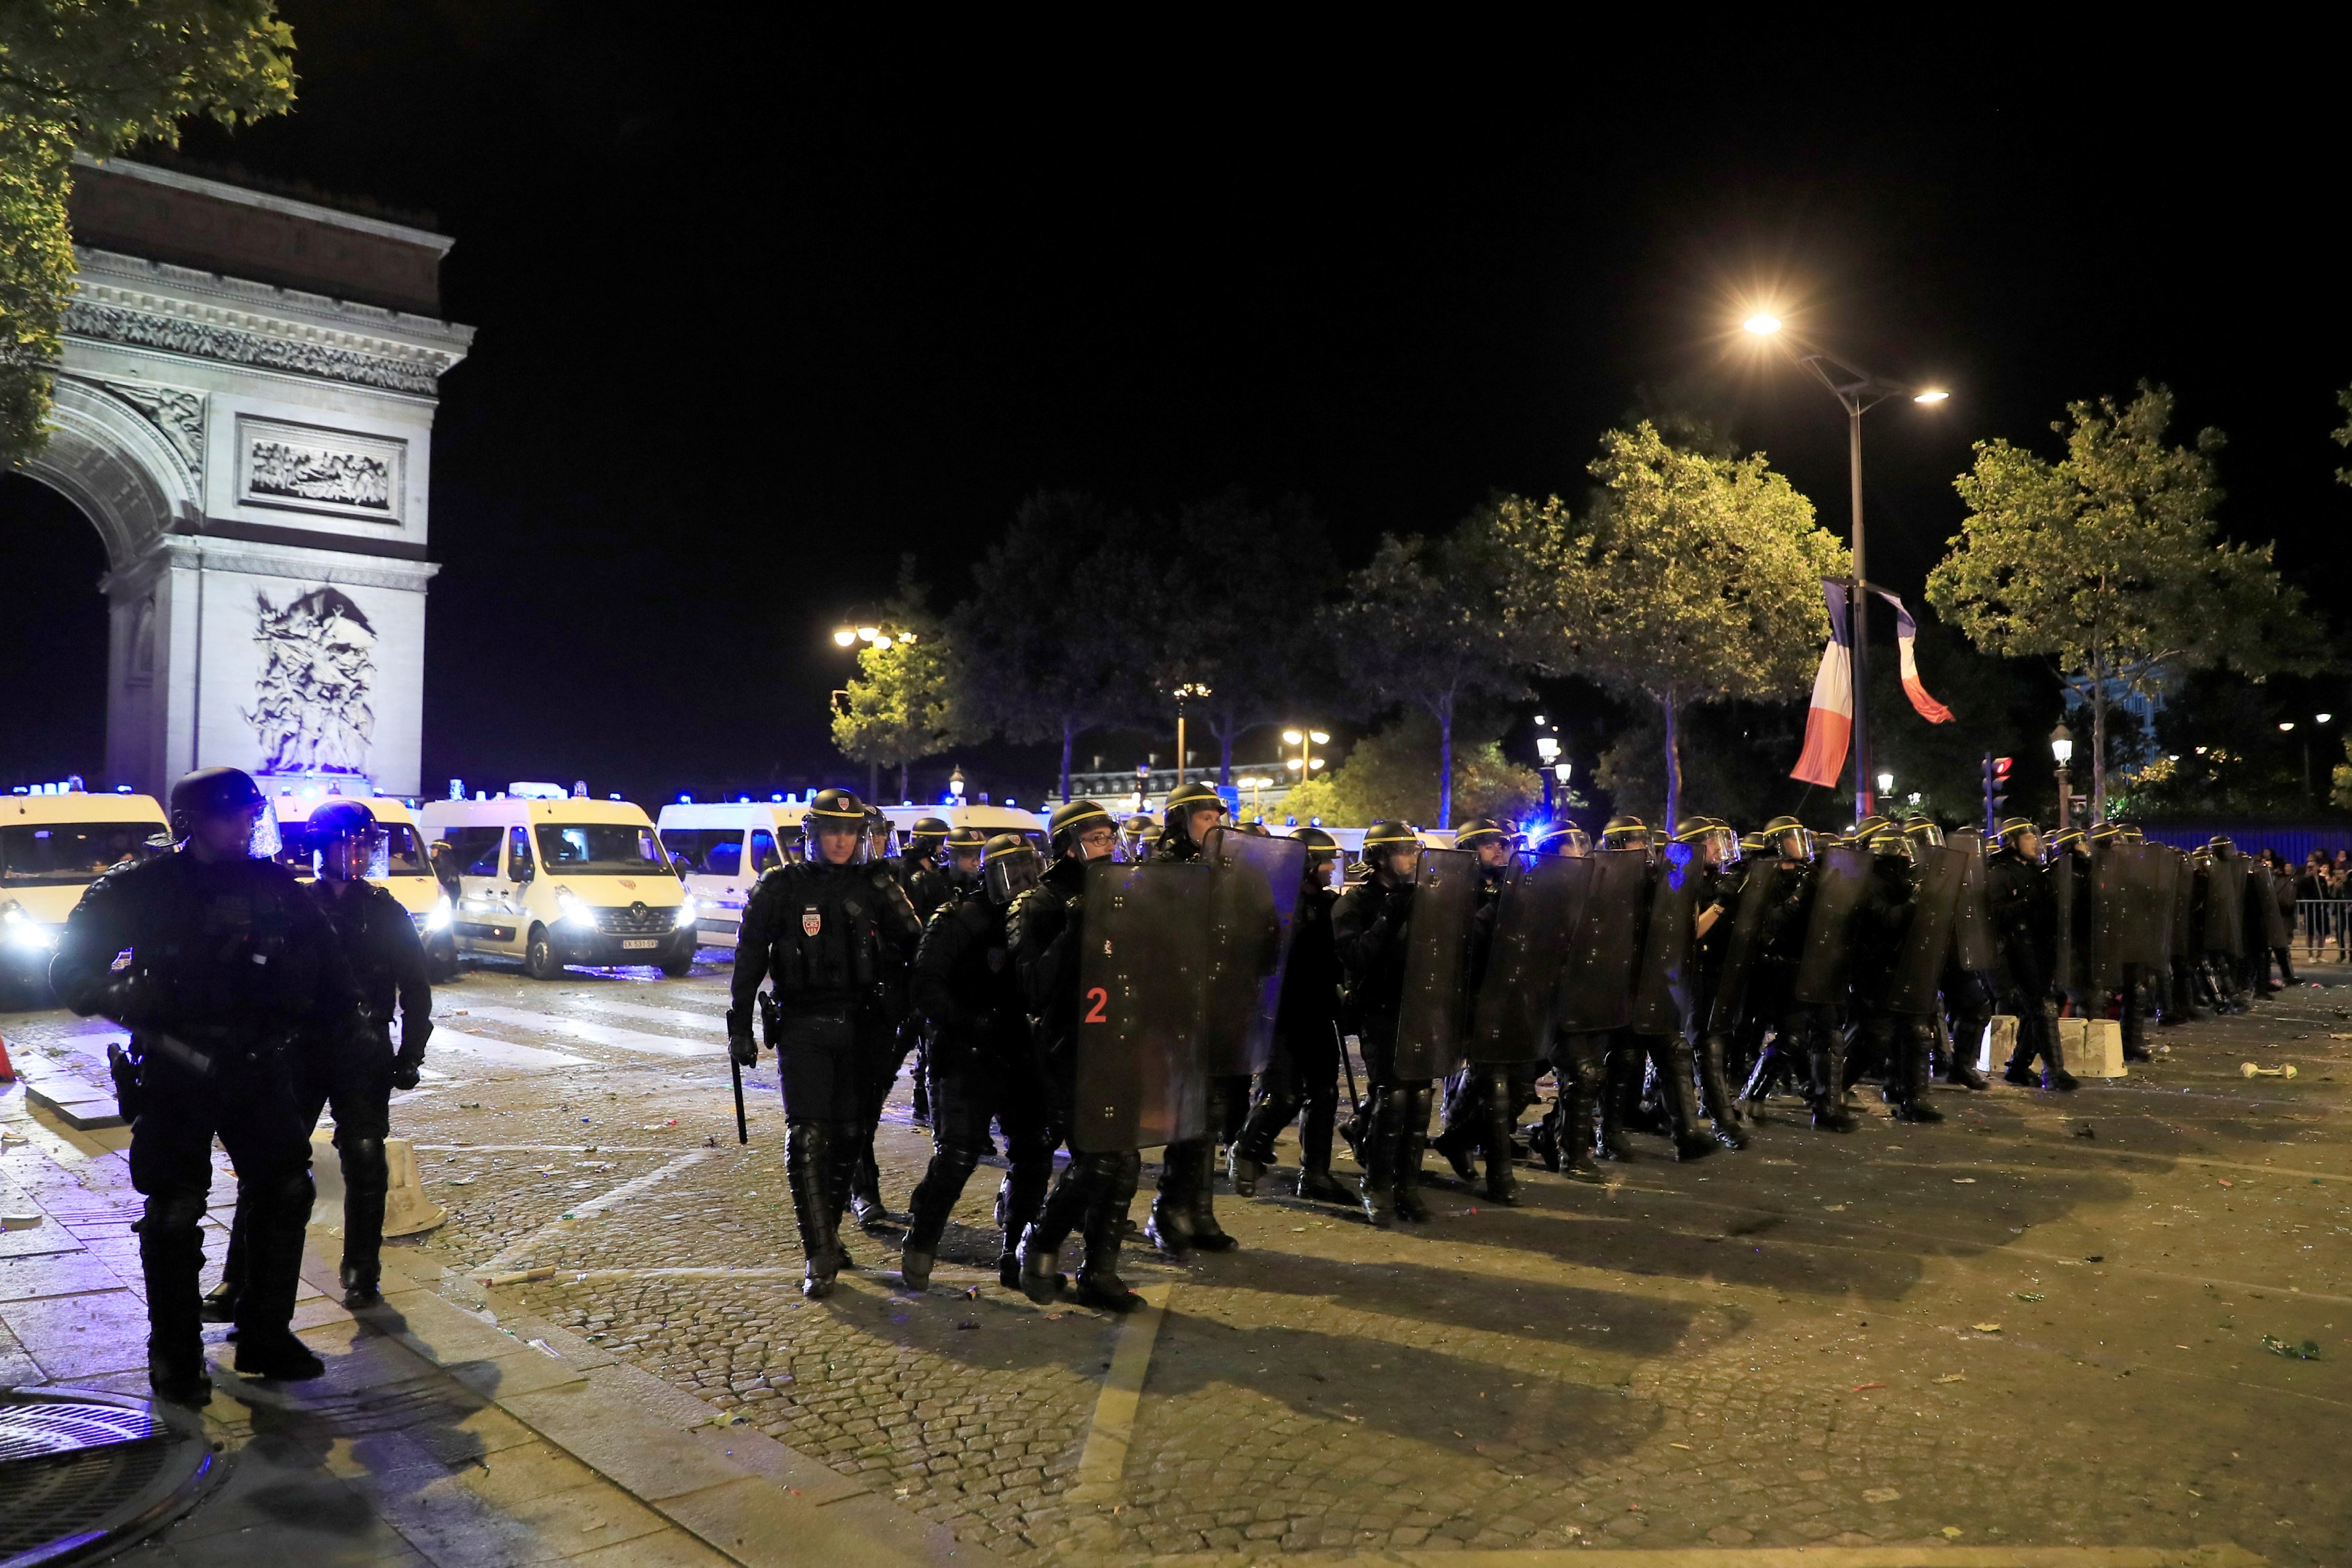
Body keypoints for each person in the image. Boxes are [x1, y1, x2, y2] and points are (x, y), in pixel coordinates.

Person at [51, 767, 366, 1403]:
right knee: (172, 1214)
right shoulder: (139, 887)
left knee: (284, 1191)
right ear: (191, 822)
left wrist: (354, 1035)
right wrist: (138, 999)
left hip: (257, 1067)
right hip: (177, 1068)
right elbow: (70, 972)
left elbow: (332, 974)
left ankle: (265, 1335)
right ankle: (174, 1354)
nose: (247, 825)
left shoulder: (273, 883)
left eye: (252, 814)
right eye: (233, 815)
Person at [207, 799, 432, 1321]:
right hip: (300, 1047)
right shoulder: (292, 905)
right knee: (270, 1167)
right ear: (319, 847)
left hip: (362, 1045)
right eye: (344, 842)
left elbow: (415, 986)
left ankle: (361, 1272)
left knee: (365, 1156)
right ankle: (236, 1276)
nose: (354, 852)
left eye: (363, 842)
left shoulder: (384, 909)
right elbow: (257, 978)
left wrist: (411, 1052)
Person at [728, 788, 923, 1299]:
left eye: (850, 832)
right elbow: (749, 959)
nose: (841, 841)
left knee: (851, 1136)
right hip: (803, 1025)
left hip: (866, 1028)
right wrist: (739, 1026)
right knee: (809, 1135)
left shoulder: (879, 884)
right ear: (811, 835)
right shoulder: (779, 888)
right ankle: (818, 1252)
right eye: (831, 831)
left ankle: (830, 1234)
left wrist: (911, 1008)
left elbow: (920, 948)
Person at [900, 833, 1052, 1291]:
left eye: (1030, 867)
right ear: (987, 875)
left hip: (1019, 1052)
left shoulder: (1040, 917)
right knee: (957, 1157)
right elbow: (926, 986)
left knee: (1034, 1151)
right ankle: (922, 1240)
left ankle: (1014, 1250)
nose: (1024, 879)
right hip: (966, 1055)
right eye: (1012, 870)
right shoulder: (959, 920)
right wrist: (971, 1023)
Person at [1010, 799, 1146, 1311]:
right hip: (1071, 1048)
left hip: (1122, 1039)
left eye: (1111, 837)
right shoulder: (1040, 903)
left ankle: (1100, 1273)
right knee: (1096, 1159)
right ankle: (1039, 1245)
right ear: (1067, 847)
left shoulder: (1126, 896)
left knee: (1125, 1158)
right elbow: (1033, 986)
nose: (1107, 847)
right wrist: (1073, 928)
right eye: (1095, 839)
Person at [1228, 828, 1349, 1203]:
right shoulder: (1276, 903)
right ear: (1307, 864)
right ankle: (1245, 1150)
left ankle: (1315, 1173)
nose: (1331, 868)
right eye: (1324, 860)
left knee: (1325, 1094)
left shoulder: (1330, 905)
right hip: (1279, 1013)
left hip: (1317, 1011)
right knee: (1283, 1095)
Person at [1144, 780, 1239, 1256]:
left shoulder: (1228, 867)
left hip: (1218, 1003)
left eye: (1217, 816)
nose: (1215, 824)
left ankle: (1200, 1210)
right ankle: (1167, 1211)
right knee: (1184, 1115)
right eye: (1205, 817)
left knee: (1212, 1114)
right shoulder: (1160, 871)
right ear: (1180, 823)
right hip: (1175, 1007)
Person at [1333, 821, 1442, 1227]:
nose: (1413, 859)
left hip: (1420, 1007)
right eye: (1403, 851)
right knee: (1392, 1100)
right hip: (1379, 1009)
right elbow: (1357, 958)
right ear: (1378, 858)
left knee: (1419, 1101)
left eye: (1415, 851)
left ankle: (1407, 1187)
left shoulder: (1425, 898)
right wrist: (1389, 914)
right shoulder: (1354, 904)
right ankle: (1377, 1186)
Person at [1432, 818, 1531, 1200]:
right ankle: (1500, 1178)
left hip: (1510, 996)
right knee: (1496, 1086)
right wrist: (1493, 906)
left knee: (1522, 1082)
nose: (1500, 851)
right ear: (1470, 851)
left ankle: (1455, 1139)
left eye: (1502, 844)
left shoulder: (1504, 886)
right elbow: (1461, 945)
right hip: (1472, 998)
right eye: (1490, 845)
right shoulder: (1453, 889)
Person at [1986, 818, 2074, 1091]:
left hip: (2039, 946)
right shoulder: (2000, 873)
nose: (2036, 843)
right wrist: (2027, 902)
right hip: (2015, 949)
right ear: (2012, 844)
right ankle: (2055, 1071)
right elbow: (1995, 914)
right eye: (2028, 838)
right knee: (2040, 1007)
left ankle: (2019, 1067)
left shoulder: (2037, 871)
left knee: (2041, 1007)